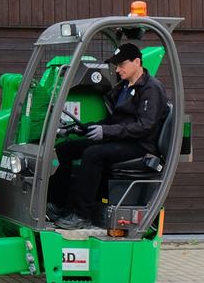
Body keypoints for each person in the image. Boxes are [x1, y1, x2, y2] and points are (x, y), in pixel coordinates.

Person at [48, 43, 167, 230]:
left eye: (121, 65)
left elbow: (145, 126)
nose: (117, 69)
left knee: (93, 154)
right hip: (120, 139)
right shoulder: (124, 87)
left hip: (140, 145)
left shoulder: (152, 88)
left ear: (137, 62)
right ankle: (58, 204)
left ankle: (81, 215)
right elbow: (113, 120)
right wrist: (85, 128)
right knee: (64, 149)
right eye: (116, 65)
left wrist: (107, 132)